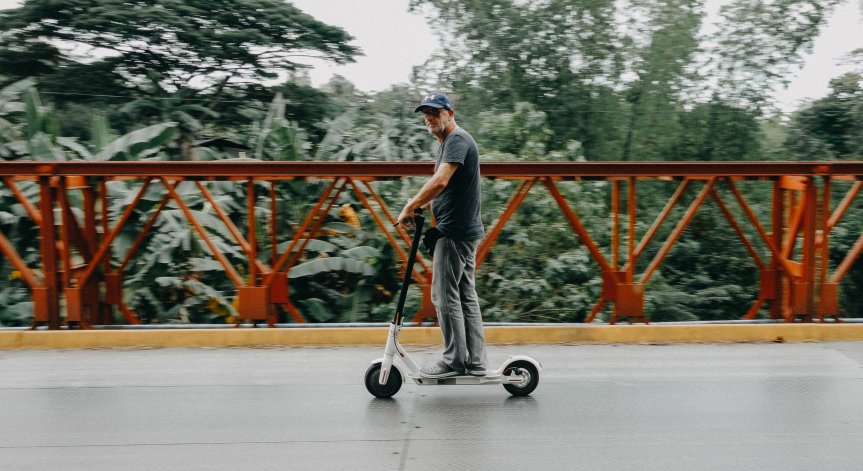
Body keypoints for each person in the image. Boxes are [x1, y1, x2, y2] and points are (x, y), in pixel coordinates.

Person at [396, 92, 487, 379]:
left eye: (435, 112)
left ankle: (454, 361)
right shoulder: (451, 141)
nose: (429, 117)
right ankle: (476, 361)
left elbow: (440, 181)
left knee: (444, 296)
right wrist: (422, 207)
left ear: (450, 113)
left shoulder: (456, 139)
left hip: (454, 232)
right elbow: (447, 187)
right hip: (465, 230)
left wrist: (409, 206)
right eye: (426, 113)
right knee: (465, 295)